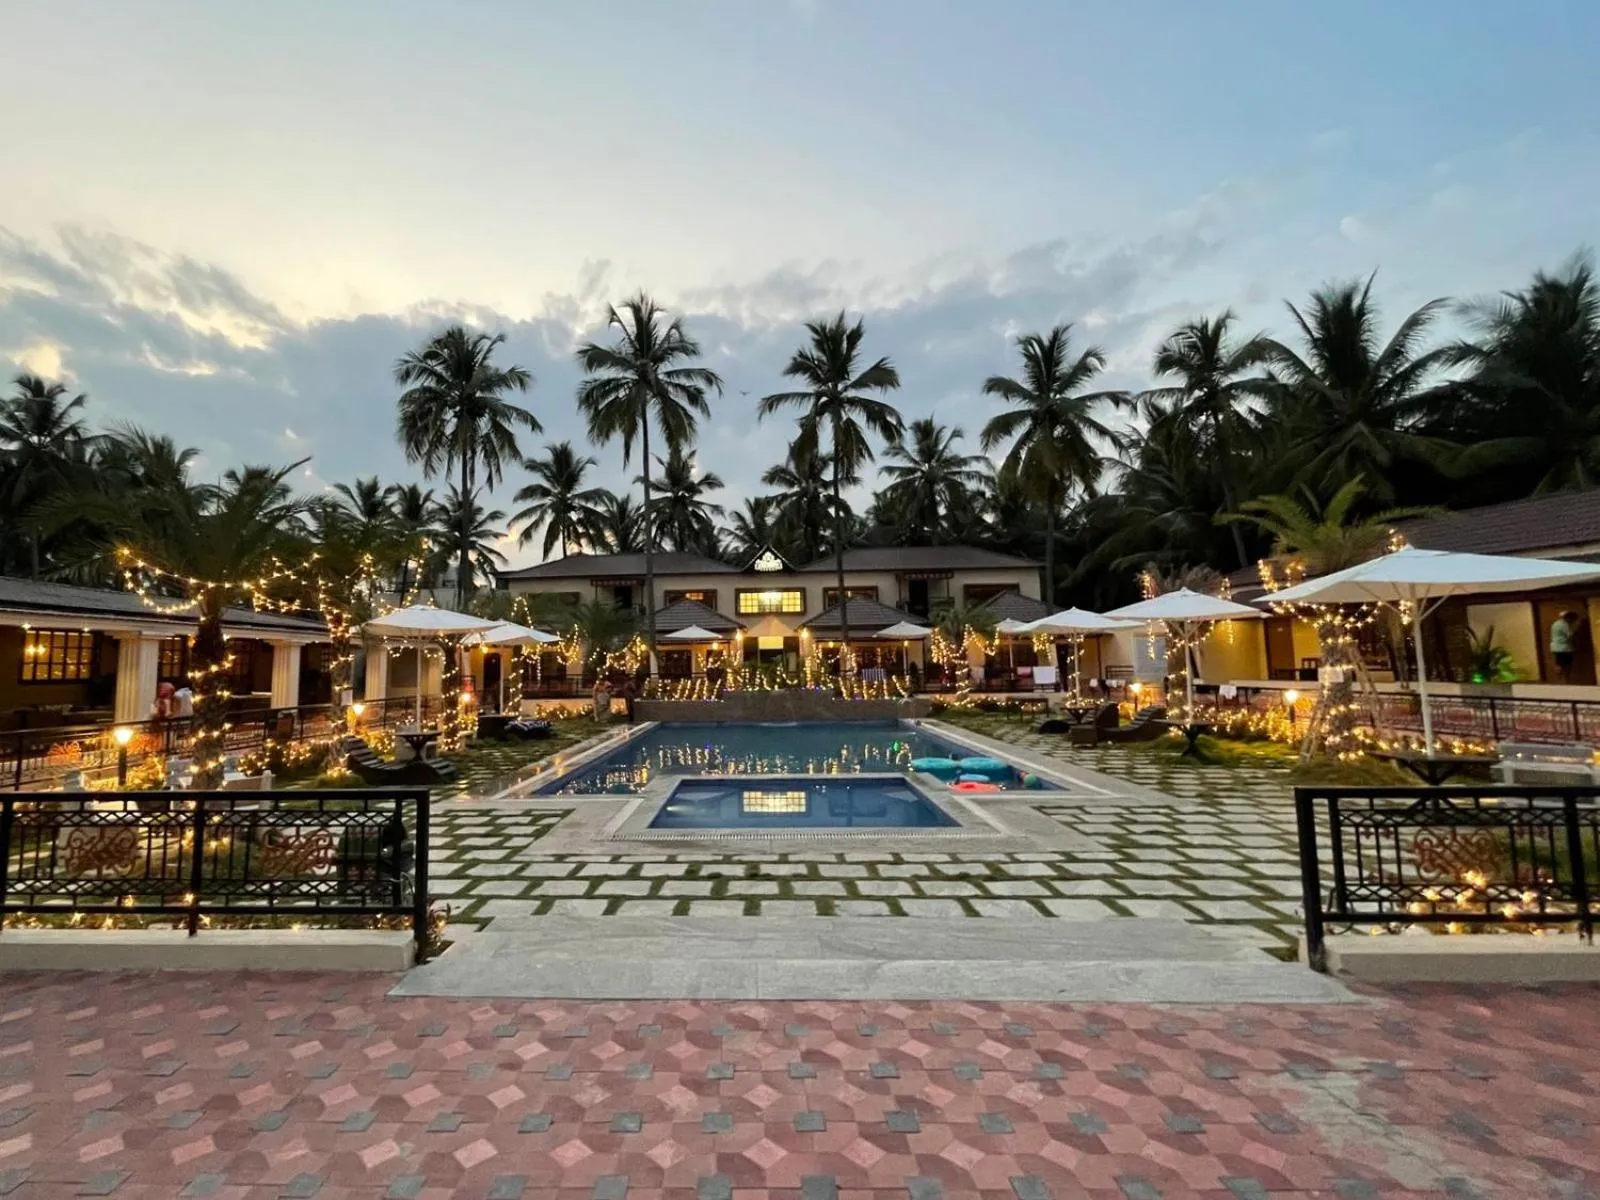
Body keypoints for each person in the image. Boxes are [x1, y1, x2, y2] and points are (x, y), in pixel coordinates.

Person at [1551, 610, 1582, 681]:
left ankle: (1558, 680)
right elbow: (1570, 635)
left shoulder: (1555, 623)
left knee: (1559, 664)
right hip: (1564, 648)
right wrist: (1576, 626)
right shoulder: (1565, 625)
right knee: (1566, 666)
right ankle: (1565, 680)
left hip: (1555, 647)